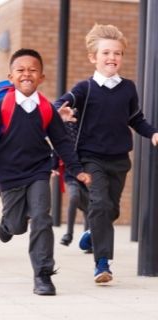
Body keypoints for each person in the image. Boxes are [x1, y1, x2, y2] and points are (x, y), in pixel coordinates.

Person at [0, 48, 91, 296]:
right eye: (21, 70)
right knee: (17, 225)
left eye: (33, 70)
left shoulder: (46, 108)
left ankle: (43, 275)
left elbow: (61, 142)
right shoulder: (1, 106)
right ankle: (7, 224)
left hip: (39, 170)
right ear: (11, 76)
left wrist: (77, 170)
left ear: (42, 77)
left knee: (41, 217)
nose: (27, 74)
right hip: (8, 174)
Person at [53, 24, 158, 284]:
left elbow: (136, 119)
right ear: (93, 57)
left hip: (120, 159)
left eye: (117, 53)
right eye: (106, 53)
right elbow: (59, 104)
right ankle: (102, 263)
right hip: (91, 158)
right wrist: (60, 112)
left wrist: (153, 133)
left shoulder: (128, 88)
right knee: (99, 205)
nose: (112, 58)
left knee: (110, 210)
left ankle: (92, 233)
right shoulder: (84, 88)